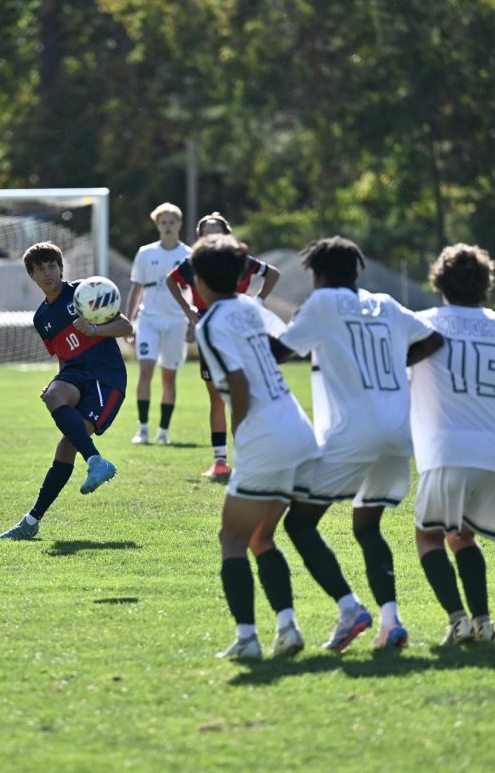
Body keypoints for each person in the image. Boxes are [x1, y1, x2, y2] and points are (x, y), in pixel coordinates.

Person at [272, 236, 443, 650]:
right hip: (398, 432)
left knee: (298, 522)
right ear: (356, 272)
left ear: (318, 275)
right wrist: (389, 362)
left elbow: (280, 351)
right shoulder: (384, 304)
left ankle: (349, 608)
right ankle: (391, 621)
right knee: (368, 526)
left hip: (354, 432)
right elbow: (434, 339)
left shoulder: (323, 303)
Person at [192, 234, 320, 661]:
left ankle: (247, 638)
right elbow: (284, 348)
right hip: (298, 427)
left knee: (232, 536)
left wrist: (242, 436)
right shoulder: (250, 306)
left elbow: (239, 384)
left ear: (200, 279)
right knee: (263, 536)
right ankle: (287, 628)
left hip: (265, 436)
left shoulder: (209, 324)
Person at [408, 244, 495, 645]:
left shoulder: (424, 323)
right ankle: (484, 623)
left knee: (428, 536)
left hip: (448, 449)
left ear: (439, 280)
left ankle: (458, 619)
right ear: (485, 283)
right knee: (461, 537)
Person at [0, 242, 132, 541]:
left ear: (61, 267)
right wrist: (60, 383)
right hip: (74, 373)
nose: (47, 273)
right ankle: (33, 520)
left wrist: (95, 329)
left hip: (104, 376)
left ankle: (33, 519)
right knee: (52, 395)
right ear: (31, 275)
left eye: (51, 266)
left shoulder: (84, 292)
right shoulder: (41, 318)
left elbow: (125, 326)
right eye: (40, 269)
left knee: (66, 447)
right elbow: (65, 355)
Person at [167, 212, 281, 480]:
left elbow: (272, 274)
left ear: (227, 233)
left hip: (238, 324)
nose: (212, 234)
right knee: (217, 397)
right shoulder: (193, 263)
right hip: (209, 326)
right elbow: (170, 280)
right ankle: (221, 461)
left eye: (217, 230)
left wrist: (258, 301)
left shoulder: (241, 261)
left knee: (247, 393)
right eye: (207, 231)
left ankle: (250, 457)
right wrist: (188, 311)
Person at [127, 202, 192, 445]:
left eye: (171, 222)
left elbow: (193, 292)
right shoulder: (146, 253)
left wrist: (192, 323)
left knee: (169, 377)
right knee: (145, 371)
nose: (167, 226)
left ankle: (163, 432)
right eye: (163, 222)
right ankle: (142, 429)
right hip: (149, 320)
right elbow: (137, 289)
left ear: (179, 224)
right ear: (157, 225)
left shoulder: (188, 255)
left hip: (176, 321)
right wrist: (129, 321)